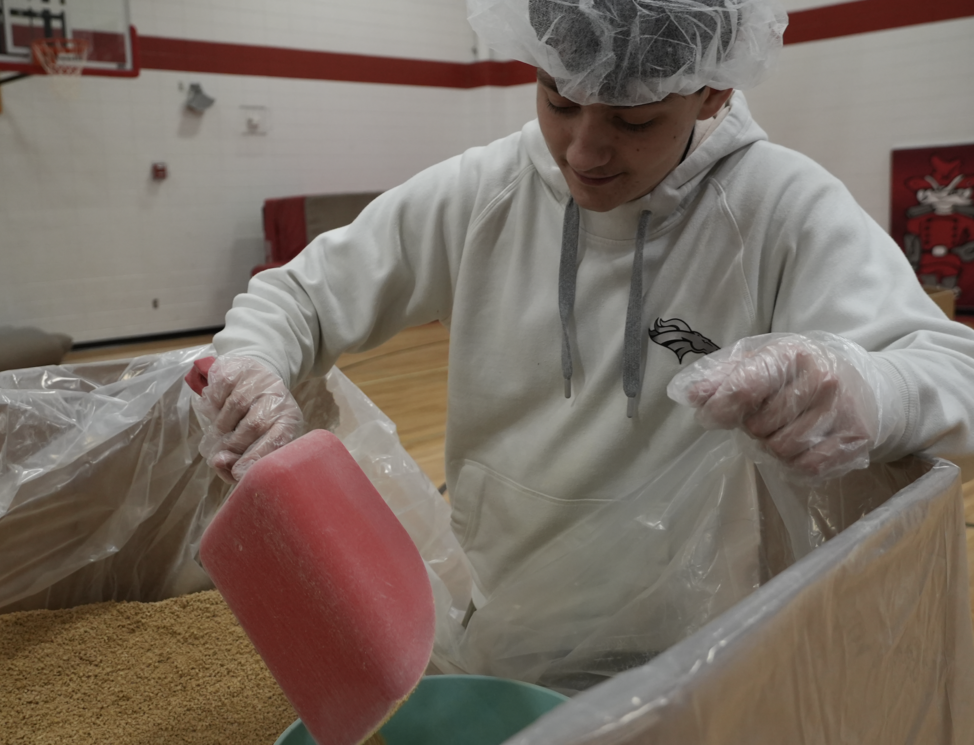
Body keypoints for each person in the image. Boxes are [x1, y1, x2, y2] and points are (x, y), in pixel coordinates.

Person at [196, 0, 974, 603]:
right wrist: (256, 367)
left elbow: (951, 368)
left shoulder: (780, 207)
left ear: (713, 92)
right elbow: (298, 296)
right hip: (501, 613)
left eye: (634, 120)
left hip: (703, 637)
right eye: (558, 101)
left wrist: (862, 384)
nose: (583, 151)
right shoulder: (485, 190)